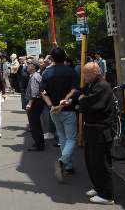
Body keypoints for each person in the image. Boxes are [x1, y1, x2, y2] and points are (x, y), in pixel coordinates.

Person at [61, 62, 115, 205]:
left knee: (101, 163)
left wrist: (81, 100)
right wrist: (72, 100)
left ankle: (107, 195)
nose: (83, 76)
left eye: (86, 74)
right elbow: (81, 93)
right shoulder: (92, 85)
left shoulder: (102, 86)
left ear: (95, 72)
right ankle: (99, 188)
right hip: (91, 129)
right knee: (91, 162)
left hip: (100, 130)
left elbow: (89, 104)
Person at [41, 48, 78, 182]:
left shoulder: (46, 73)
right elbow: (74, 89)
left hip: (53, 110)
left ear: (52, 58)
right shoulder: (70, 71)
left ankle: (68, 165)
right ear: (65, 57)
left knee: (62, 137)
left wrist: (52, 106)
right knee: (71, 138)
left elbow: (43, 92)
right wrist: (63, 102)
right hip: (68, 109)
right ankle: (63, 161)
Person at [25, 60, 44, 151]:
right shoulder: (35, 76)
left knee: (34, 124)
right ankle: (39, 143)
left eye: (30, 65)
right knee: (36, 123)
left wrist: (29, 104)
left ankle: (38, 144)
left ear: (34, 67)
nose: (28, 66)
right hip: (37, 102)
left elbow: (34, 92)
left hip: (35, 103)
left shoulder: (34, 77)